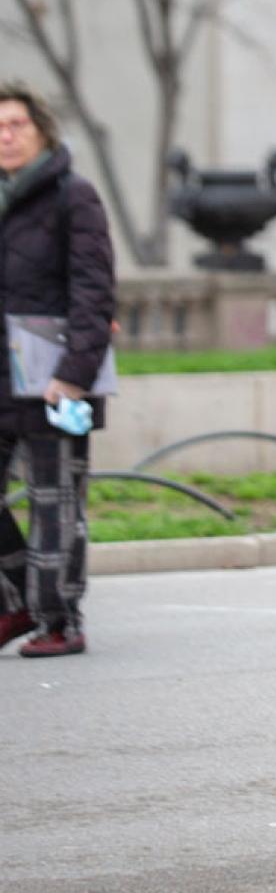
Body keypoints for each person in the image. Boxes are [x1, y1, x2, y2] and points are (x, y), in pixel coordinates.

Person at [0, 83, 115, 660]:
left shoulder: (75, 196)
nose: (6, 135)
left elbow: (95, 294)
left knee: (56, 503)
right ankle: (18, 600)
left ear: (41, 130)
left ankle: (60, 619)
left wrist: (73, 373)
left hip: (57, 379)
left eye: (16, 123)